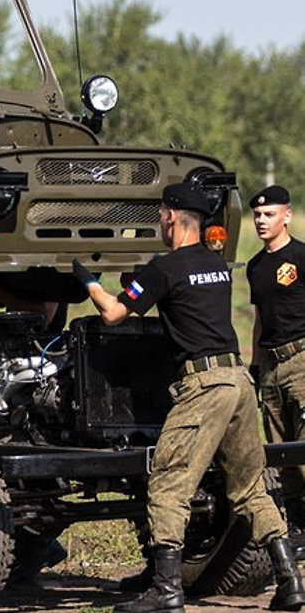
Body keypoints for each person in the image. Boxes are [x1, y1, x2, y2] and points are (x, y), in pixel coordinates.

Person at [72, 182, 305, 613]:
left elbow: (113, 313)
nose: (160, 221)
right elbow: (183, 295)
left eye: (161, 215)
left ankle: (166, 589)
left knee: (168, 482)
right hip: (238, 381)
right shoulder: (216, 266)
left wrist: (85, 278)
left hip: (205, 387)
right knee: (250, 487)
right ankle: (290, 580)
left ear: (173, 218)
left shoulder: (163, 269)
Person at [247, 185, 305, 553]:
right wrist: (253, 365)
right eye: (257, 215)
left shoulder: (301, 256)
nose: (261, 221)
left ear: (287, 216)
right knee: (281, 451)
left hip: (301, 360)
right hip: (269, 365)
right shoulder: (255, 265)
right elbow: (257, 318)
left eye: (269, 215)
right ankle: (299, 528)